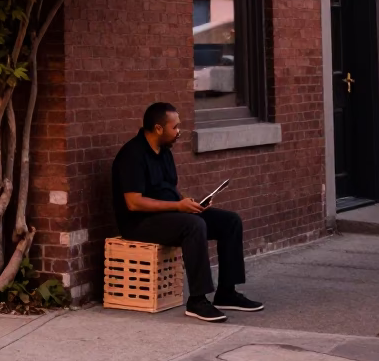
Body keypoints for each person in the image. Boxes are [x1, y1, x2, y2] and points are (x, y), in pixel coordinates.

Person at [111, 102, 264, 322]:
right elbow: (134, 203)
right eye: (175, 128)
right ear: (158, 129)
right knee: (194, 225)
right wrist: (178, 207)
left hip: (170, 215)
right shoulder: (132, 155)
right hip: (140, 223)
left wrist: (190, 204)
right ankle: (197, 300)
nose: (179, 132)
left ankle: (226, 293)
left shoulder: (164, 152)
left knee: (230, 221)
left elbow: (169, 189)